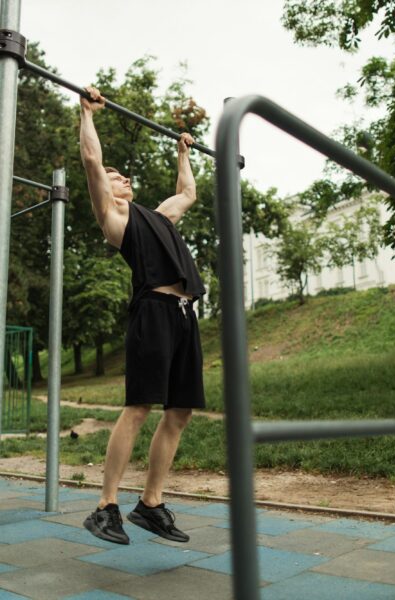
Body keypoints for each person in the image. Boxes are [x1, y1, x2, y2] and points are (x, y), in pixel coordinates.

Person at [79, 86, 206, 545]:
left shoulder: (159, 216)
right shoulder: (115, 220)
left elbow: (188, 192)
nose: (121, 177)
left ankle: (150, 504)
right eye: (116, 176)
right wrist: (86, 113)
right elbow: (93, 162)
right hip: (152, 312)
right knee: (138, 408)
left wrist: (182, 152)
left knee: (180, 411)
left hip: (184, 314)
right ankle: (105, 506)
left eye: (123, 175)